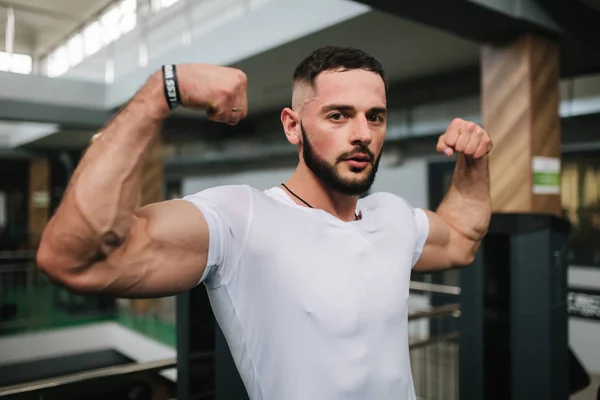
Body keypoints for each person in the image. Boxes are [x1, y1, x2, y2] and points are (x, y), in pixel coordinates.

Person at [37, 46, 492, 400]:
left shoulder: (390, 215)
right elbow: (76, 260)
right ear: (292, 127)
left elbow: (463, 239)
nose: (362, 134)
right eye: (339, 115)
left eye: (375, 116)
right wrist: (161, 93)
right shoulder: (242, 219)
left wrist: (474, 162)